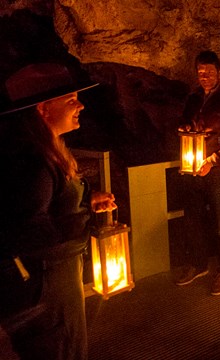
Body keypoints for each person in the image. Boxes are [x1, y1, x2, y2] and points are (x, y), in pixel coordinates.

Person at [0, 63, 117, 360]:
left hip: (56, 282)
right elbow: (29, 229)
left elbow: (47, 201)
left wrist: (87, 199)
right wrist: (83, 220)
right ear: (43, 109)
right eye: (70, 100)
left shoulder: (46, 150)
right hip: (47, 290)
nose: (80, 105)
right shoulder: (35, 162)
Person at [175, 50, 220, 295]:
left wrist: (213, 160)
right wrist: (186, 127)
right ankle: (198, 264)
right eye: (200, 72)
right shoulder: (193, 99)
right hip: (193, 170)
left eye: (209, 72)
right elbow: (187, 125)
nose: (204, 76)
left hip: (218, 172)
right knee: (192, 218)